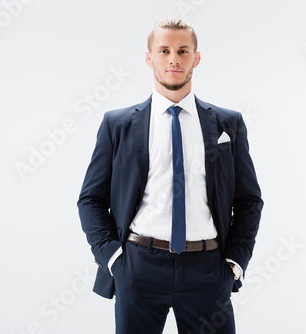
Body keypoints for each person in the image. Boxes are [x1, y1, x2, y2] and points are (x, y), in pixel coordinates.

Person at [77, 17, 263, 334]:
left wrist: (234, 262)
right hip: (138, 267)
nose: (173, 59)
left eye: (182, 51)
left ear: (197, 57)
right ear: (149, 58)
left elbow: (248, 200)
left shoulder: (227, 124)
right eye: (163, 51)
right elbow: (91, 199)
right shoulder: (118, 124)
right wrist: (113, 258)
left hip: (208, 269)